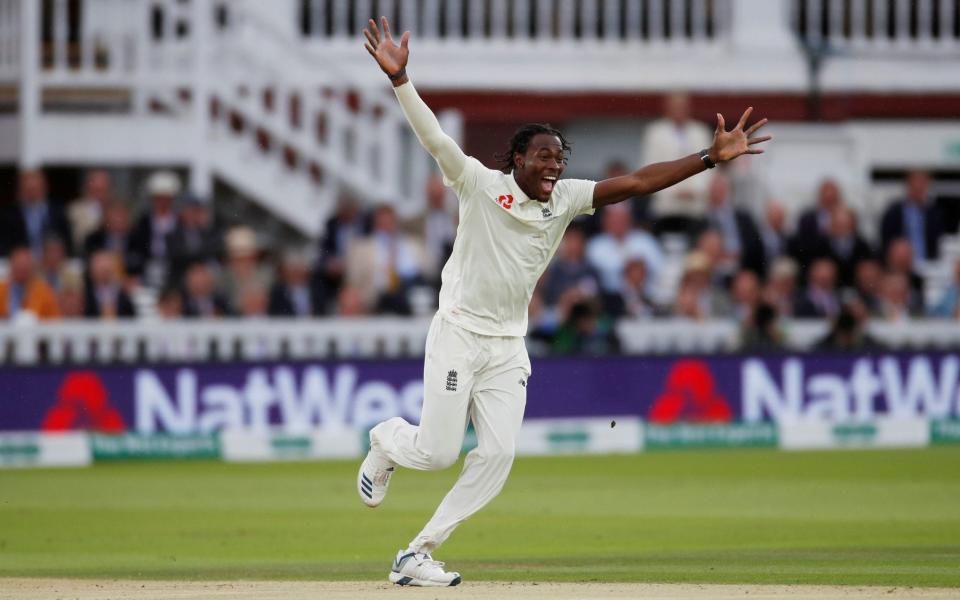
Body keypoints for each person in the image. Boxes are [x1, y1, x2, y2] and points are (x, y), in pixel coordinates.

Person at [358, 16, 770, 588]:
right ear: (517, 160)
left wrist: (708, 158)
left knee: (498, 458)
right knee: (436, 453)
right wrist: (402, 82)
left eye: (560, 158)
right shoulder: (479, 183)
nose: (555, 166)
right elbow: (434, 138)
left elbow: (638, 183)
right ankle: (386, 439)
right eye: (544, 157)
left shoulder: (567, 198)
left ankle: (417, 553)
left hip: (509, 345)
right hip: (458, 330)